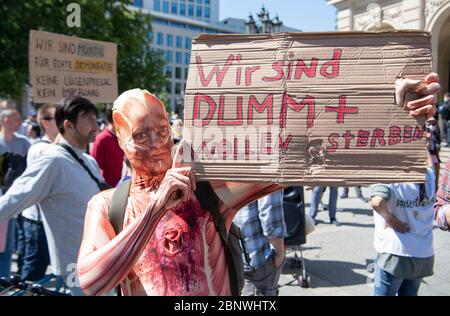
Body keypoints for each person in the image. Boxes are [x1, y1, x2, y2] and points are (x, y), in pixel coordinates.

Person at [77, 73, 440, 296]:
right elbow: (92, 282)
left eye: (162, 130)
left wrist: (386, 108)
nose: (158, 143)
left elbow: (295, 155)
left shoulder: (207, 190)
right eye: (142, 135)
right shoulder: (108, 205)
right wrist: (155, 210)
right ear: (121, 141)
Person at [0, 97, 103, 295]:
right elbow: (13, 199)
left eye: (94, 118)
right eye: (88, 119)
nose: (94, 124)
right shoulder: (52, 161)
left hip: (99, 259)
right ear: (68, 125)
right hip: (76, 264)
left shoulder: (89, 161)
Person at [369, 150, 435, 296]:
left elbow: (377, 202)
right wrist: (421, 144)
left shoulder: (389, 176)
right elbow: (429, 160)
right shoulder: (429, 176)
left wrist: (392, 220)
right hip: (423, 254)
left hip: (395, 255)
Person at [19, 104, 59, 281]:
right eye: (58, 118)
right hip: (37, 221)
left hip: (50, 219)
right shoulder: (38, 147)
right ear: (45, 123)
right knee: (34, 272)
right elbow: (50, 152)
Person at [233, 190, 286, 296]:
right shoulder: (270, 173)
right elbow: (271, 223)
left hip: (236, 253)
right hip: (260, 258)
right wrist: (280, 254)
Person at [0, 109, 30, 279]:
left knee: (20, 237)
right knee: (4, 245)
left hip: (20, 196)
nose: (19, 121)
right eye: (15, 118)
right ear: (5, 120)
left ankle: (17, 272)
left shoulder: (24, 142)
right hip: (3, 198)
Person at [90, 106, 124, 187]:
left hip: (125, 188)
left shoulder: (125, 137)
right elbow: (93, 167)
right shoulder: (101, 140)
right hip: (108, 190)